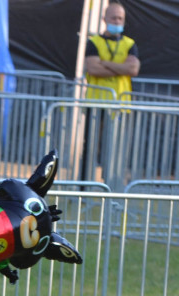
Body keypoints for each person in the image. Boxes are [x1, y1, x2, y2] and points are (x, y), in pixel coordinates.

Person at [82, 2, 140, 180]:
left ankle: (111, 185)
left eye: (120, 18)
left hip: (119, 106)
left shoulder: (130, 44)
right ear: (104, 19)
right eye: (114, 17)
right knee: (91, 148)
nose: (117, 21)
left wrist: (105, 63)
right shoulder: (94, 42)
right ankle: (85, 187)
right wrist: (120, 67)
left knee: (116, 149)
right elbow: (93, 69)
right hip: (96, 104)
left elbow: (133, 70)